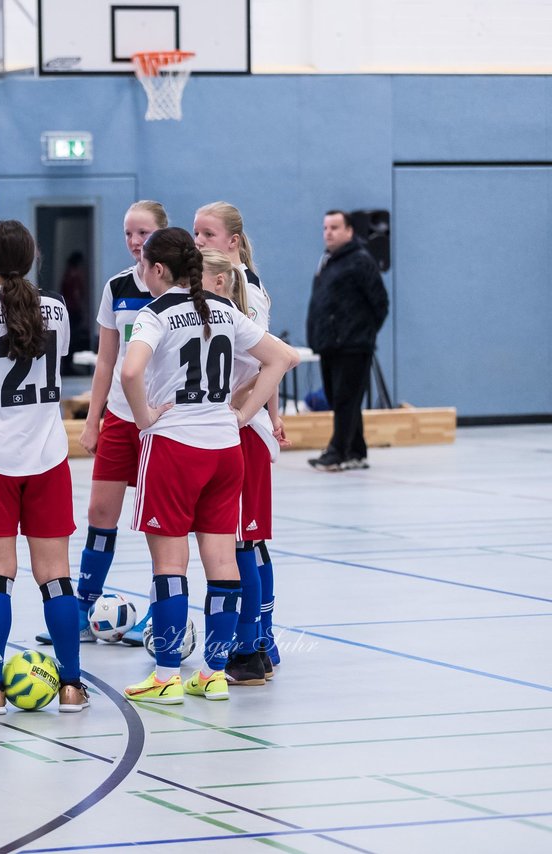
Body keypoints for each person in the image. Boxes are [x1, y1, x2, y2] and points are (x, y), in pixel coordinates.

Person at [119, 228, 297, 706]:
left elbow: (130, 371)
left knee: (169, 566)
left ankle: (165, 675)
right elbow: (283, 357)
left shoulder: (153, 313)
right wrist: (242, 413)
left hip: (175, 447)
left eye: (144, 266)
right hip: (224, 448)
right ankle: (215, 672)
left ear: (157, 270)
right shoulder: (226, 311)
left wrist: (143, 418)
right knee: (222, 564)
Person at [0, 219, 89, 716]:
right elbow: (57, 358)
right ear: (32, 260)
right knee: (57, 577)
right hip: (47, 458)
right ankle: (71, 686)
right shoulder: (57, 307)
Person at [39, 201, 167, 650]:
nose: (135, 242)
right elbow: (107, 359)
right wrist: (92, 421)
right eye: (129, 233)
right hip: (120, 415)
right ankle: (82, 605)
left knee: (159, 522)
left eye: (144, 233)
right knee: (99, 513)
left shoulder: (182, 291)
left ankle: (159, 610)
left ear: (163, 235)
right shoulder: (117, 287)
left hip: (164, 422)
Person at [193, 202, 287, 680]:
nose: (199, 242)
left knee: (242, 542)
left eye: (207, 234)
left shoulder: (242, 288)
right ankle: (259, 642)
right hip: (235, 428)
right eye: (194, 234)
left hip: (237, 432)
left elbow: (262, 364)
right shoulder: (216, 292)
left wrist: (243, 412)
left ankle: (250, 648)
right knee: (247, 540)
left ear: (232, 241)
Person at [306, 210, 389, 472]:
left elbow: (380, 303)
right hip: (329, 345)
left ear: (349, 231)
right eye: (325, 228)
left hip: (353, 346)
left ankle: (338, 452)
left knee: (345, 399)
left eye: (334, 227)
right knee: (340, 398)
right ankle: (356, 450)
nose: (328, 232)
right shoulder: (328, 261)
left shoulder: (361, 261)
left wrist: (362, 334)